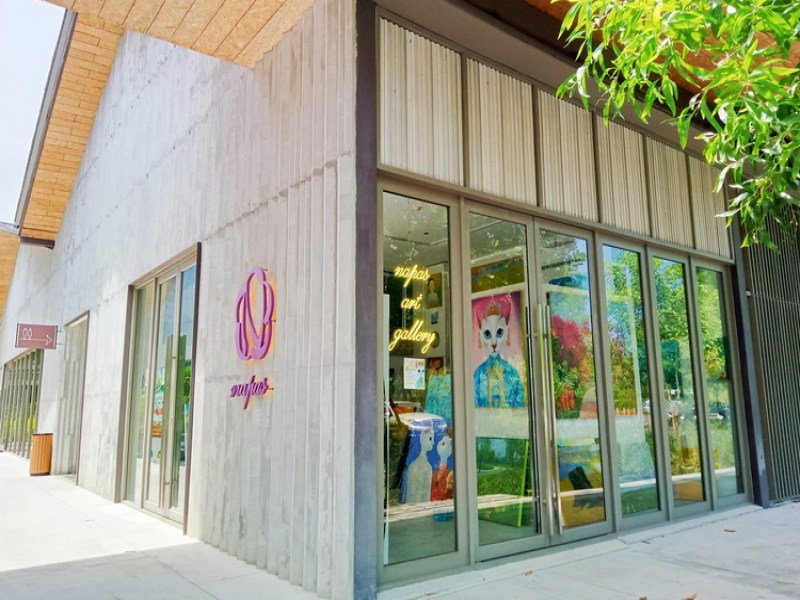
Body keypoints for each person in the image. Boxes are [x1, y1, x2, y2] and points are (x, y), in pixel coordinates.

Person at [473, 297, 524, 408]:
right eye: (487, 334)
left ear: (507, 333)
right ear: (480, 335)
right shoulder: (478, 374)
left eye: (499, 332)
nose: (494, 342)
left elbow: (520, 408)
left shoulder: (512, 373)